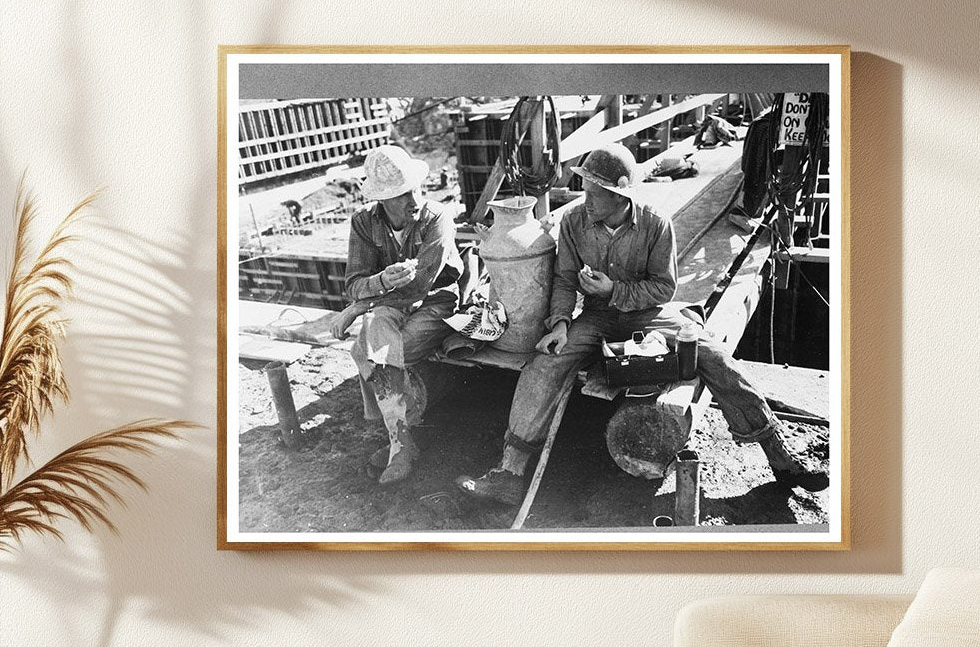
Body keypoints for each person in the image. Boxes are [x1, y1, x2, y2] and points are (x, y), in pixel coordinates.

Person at [455, 142, 822, 506]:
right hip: (597, 317)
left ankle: (778, 454)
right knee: (544, 364)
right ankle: (509, 472)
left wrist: (614, 289)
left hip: (648, 314)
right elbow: (564, 279)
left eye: (595, 194)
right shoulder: (574, 222)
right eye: (585, 191)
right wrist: (561, 324)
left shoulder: (655, 224)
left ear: (620, 196)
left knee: (713, 355)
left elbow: (664, 288)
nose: (586, 201)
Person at [342, 145, 463, 484]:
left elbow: (421, 284)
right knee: (373, 338)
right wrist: (380, 281)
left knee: (372, 351)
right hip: (391, 303)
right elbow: (353, 283)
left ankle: (399, 441)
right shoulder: (364, 221)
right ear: (382, 199)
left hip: (436, 302)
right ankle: (402, 443)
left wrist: (360, 306)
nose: (414, 200)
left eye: (415, 189)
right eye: (401, 194)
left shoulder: (436, 216)